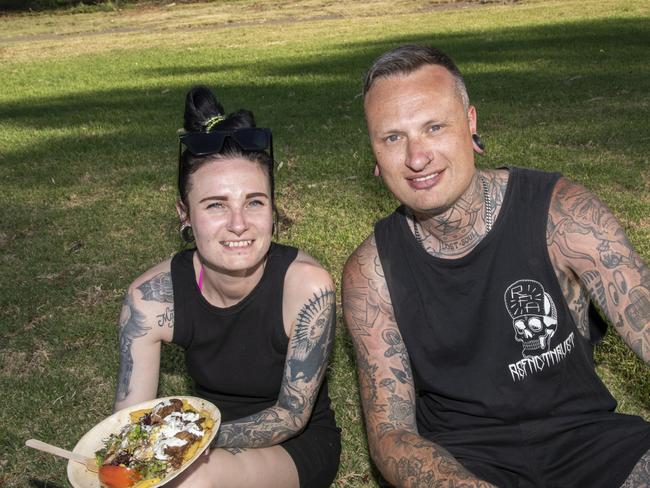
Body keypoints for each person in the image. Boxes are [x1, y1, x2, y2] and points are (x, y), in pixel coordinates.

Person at [342, 44, 650, 487]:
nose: (416, 157)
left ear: (470, 124)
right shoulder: (370, 274)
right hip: (462, 461)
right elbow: (391, 434)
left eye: (433, 127)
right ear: (374, 152)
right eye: (393, 137)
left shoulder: (561, 214)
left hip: (588, 441)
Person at [113, 85, 341, 488]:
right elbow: (130, 418)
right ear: (184, 214)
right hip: (200, 431)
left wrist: (184, 445)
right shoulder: (150, 298)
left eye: (254, 202)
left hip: (293, 444)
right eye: (215, 204)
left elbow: (290, 416)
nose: (239, 223)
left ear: (273, 209)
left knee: (190, 481)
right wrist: (133, 456)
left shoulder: (307, 288)